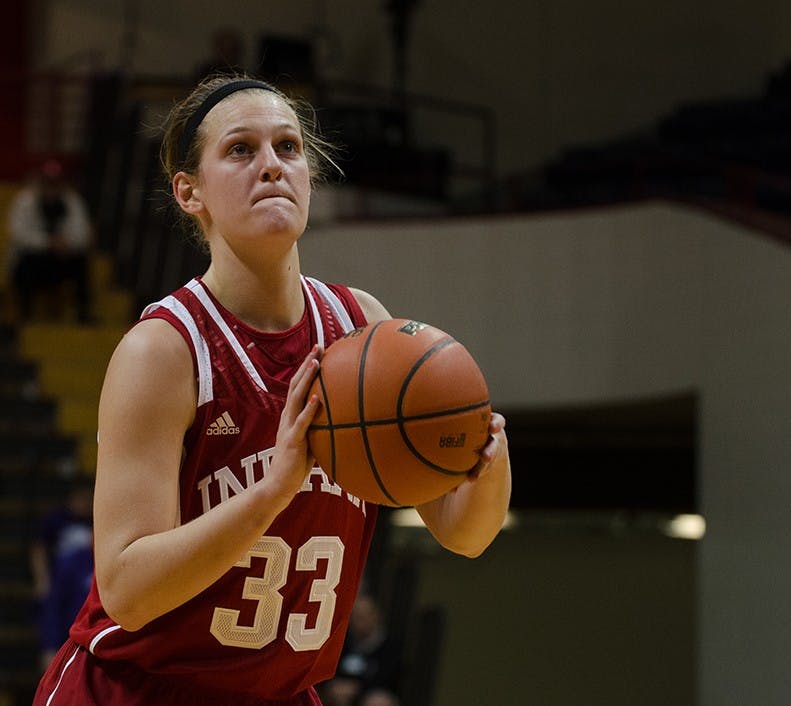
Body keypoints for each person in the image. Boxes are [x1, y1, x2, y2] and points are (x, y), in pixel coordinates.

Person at [33, 73, 511, 706]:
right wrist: (272, 492)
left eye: (288, 147)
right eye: (240, 150)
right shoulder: (165, 350)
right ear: (189, 192)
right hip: (139, 690)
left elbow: (464, 533)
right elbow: (127, 589)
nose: (271, 166)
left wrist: (486, 458)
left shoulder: (359, 328)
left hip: (278, 693)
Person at [6, 158, 93, 323]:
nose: (51, 188)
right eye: (48, 183)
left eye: (55, 183)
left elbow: (83, 235)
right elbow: (18, 234)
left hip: (60, 259)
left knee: (81, 262)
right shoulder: (25, 201)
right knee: (26, 263)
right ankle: (25, 316)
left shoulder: (72, 201)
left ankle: (84, 314)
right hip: (34, 260)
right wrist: (48, 243)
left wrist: (65, 244)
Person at [28, 480, 95, 670]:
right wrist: (42, 579)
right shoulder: (57, 521)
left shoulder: (94, 523)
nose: (84, 502)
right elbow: (38, 548)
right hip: (64, 585)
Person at [323, 593, 401, 706]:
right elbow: (330, 669)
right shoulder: (342, 642)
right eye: (356, 616)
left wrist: (357, 687)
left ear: (375, 616)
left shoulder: (390, 645)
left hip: (374, 693)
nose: (360, 621)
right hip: (342, 690)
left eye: (364, 616)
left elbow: (389, 678)